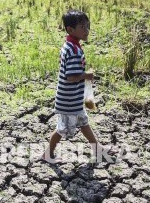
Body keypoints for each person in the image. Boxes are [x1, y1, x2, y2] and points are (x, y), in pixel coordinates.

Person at [41, 10, 116, 164]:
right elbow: (71, 77)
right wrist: (86, 75)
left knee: (83, 123)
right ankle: (47, 154)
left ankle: (97, 149)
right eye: (82, 27)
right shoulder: (73, 50)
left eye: (87, 26)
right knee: (62, 129)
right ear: (70, 30)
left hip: (72, 99)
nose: (87, 30)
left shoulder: (70, 45)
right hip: (69, 101)